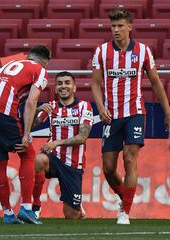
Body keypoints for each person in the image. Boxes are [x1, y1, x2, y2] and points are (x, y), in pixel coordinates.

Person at [91, 9, 170, 224]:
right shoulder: (101, 51)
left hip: (135, 112)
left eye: (120, 26)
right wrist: (100, 107)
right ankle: (124, 198)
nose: (116, 30)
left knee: (130, 159)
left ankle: (124, 212)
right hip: (110, 116)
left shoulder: (143, 51)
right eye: (113, 27)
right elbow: (95, 83)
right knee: (108, 168)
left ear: (129, 27)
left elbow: (155, 82)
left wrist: (167, 111)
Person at [0, 46, 50, 224]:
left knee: (0, 162)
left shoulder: (11, 64)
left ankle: (8, 214)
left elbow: (16, 94)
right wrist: (26, 134)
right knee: (28, 154)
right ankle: (26, 208)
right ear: (45, 61)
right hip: (3, 110)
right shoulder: (40, 70)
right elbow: (31, 101)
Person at [32, 71, 93, 219]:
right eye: (59, 83)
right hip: (53, 158)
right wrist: (37, 110)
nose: (63, 86)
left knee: (71, 216)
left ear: (74, 88)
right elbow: (32, 126)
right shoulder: (51, 106)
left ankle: (77, 207)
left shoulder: (85, 106)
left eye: (67, 83)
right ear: (55, 88)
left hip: (73, 164)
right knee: (39, 159)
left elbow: (83, 137)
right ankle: (36, 206)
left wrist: (57, 142)